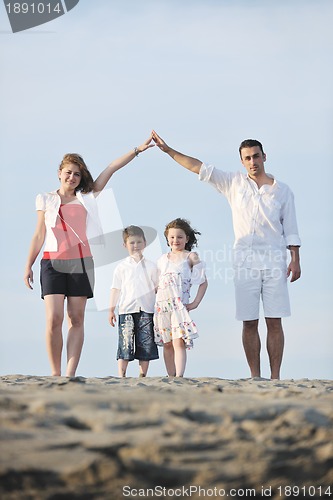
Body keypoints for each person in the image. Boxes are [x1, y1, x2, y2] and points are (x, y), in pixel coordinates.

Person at [152, 131, 301, 380]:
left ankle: (275, 378)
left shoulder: (282, 191)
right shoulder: (233, 183)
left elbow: (291, 228)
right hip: (244, 262)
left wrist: (295, 259)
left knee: (275, 321)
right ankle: (255, 376)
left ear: (264, 157)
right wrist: (169, 151)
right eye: (247, 158)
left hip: (275, 261)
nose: (253, 162)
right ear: (241, 162)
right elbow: (198, 167)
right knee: (249, 321)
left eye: (256, 156)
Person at [24, 137, 155, 377]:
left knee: (76, 318)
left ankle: (70, 373)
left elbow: (112, 167)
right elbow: (39, 234)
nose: (71, 177)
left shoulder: (87, 197)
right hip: (51, 263)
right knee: (54, 319)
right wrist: (28, 265)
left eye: (76, 174)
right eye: (68, 172)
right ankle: (55, 373)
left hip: (81, 263)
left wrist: (137, 150)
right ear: (59, 173)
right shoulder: (45, 199)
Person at [154, 218, 208, 377]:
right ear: (167, 239)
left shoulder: (191, 256)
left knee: (179, 340)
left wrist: (196, 302)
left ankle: (179, 376)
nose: (175, 240)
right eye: (171, 237)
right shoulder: (162, 259)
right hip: (162, 307)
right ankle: (170, 375)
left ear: (187, 239)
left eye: (179, 237)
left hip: (179, 305)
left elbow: (203, 282)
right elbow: (156, 284)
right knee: (167, 343)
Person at [109, 225, 159, 377]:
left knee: (145, 343)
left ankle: (142, 374)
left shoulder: (152, 266)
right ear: (125, 245)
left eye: (139, 242)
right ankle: (121, 374)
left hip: (147, 310)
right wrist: (111, 309)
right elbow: (115, 289)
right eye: (132, 243)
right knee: (125, 343)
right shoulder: (121, 267)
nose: (135, 246)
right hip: (126, 309)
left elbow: (158, 288)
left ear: (145, 243)